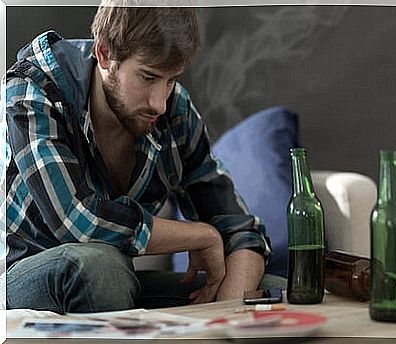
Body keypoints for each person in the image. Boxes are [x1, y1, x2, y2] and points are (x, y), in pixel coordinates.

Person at [2, 1, 278, 314]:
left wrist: (229, 315)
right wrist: (202, 235)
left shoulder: (174, 110)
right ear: (105, 54)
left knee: (270, 290)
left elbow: (241, 230)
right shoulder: (34, 91)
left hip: (116, 282)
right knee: (99, 267)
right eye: (147, 78)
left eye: (171, 79)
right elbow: (76, 219)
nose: (159, 103)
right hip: (20, 280)